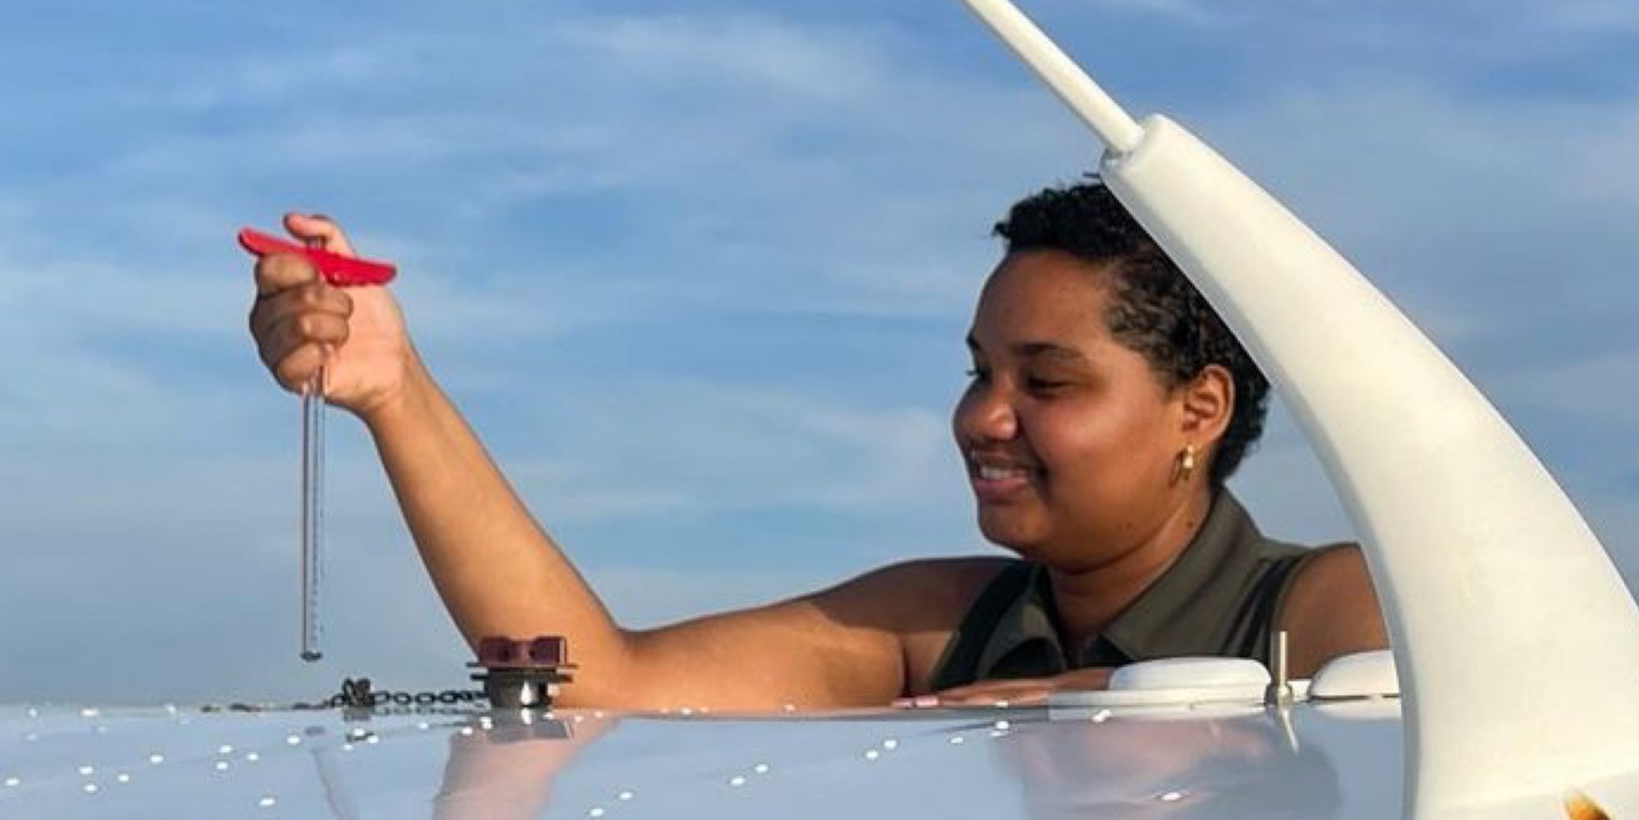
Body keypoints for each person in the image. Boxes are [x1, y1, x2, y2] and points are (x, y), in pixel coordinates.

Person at [245, 182, 1386, 711]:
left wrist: (1118, 705)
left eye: (1045, 382)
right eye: (979, 372)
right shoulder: (937, 624)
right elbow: (601, 683)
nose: (984, 418)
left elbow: (1434, 732)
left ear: (1199, 409)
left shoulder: (1334, 606)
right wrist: (396, 392)